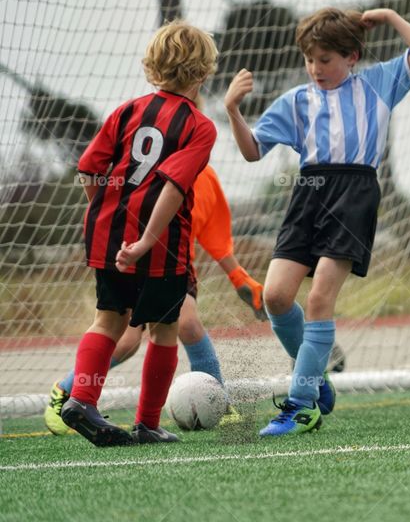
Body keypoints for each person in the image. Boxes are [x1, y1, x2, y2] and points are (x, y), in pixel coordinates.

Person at [225, 7, 410, 436]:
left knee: (321, 298)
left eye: (325, 59)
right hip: (308, 194)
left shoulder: (379, 83)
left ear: (352, 56)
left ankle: (301, 405)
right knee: (277, 297)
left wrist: (392, 16)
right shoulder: (295, 101)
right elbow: (253, 151)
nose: (315, 68)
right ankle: (314, 374)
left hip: (354, 195)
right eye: (309, 59)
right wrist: (232, 109)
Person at [60, 20, 219, 446]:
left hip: (106, 233)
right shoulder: (200, 127)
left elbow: (89, 168)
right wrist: (148, 238)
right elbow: (172, 186)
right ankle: (148, 423)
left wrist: (105, 212)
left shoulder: (127, 110)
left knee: (109, 319)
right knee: (163, 328)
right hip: (161, 244)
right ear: (203, 74)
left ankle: (81, 399)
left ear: (151, 69)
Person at [43, 164, 274, 435]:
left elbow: (216, 235)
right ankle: (66, 391)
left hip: (174, 264)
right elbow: (96, 178)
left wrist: (238, 277)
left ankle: (217, 401)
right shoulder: (142, 167)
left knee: (187, 324)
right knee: (126, 342)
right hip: (131, 258)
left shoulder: (206, 176)